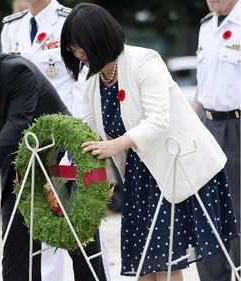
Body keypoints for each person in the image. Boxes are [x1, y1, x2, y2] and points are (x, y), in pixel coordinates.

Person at [60, 3, 239, 281]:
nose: (78, 54)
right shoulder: (93, 83)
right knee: (144, 263)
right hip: (137, 177)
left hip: (173, 167)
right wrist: (87, 174)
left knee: (166, 263)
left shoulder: (144, 61)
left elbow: (158, 120)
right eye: (72, 48)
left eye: (81, 46)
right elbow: (90, 135)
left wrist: (115, 145)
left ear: (100, 39)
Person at [0, 19, 107, 281]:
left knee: (80, 243)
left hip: (58, 159)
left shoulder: (17, 70)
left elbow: (18, 124)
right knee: (15, 247)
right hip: (18, 165)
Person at [1, 1, 111, 280]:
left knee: (81, 227)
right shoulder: (12, 27)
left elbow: (83, 82)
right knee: (43, 226)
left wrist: (77, 137)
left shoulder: (69, 21)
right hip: (29, 143)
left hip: (67, 137)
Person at [194, 1, 240, 280]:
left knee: (237, 207)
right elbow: (203, 82)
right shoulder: (206, 26)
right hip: (208, 125)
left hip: (237, 125)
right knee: (206, 208)